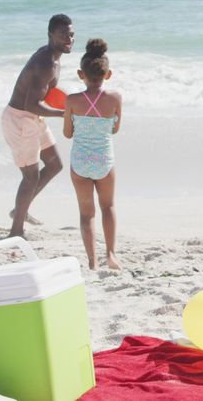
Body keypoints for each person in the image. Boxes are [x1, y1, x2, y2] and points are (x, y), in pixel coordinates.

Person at [2, 13, 75, 237]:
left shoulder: (54, 57)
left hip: (33, 117)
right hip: (20, 119)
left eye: (71, 35)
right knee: (30, 177)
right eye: (63, 35)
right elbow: (31, 104)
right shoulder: (45, 63)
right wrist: (65, 114)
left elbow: (44, 97)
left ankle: (19, 212)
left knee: (54, 165)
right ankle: (16, 232)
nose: (69, 39)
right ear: (50, 35)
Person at [63, 38, 122, 270]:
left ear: (81, 74)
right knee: (108, 207)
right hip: (104, 161)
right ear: (108, 74)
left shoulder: (72, 100)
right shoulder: (115, 99)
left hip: (80, 163)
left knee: (86, 214)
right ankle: (111, 254)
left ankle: (92, 262)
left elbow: (68, 134)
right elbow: (115, 129)